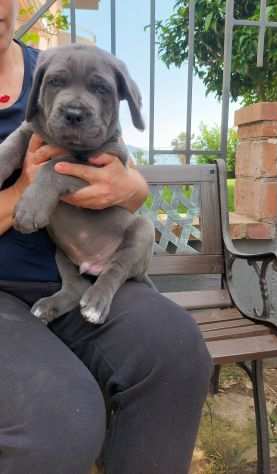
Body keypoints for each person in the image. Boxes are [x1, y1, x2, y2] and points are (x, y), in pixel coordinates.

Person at [0, 1, 212, 473]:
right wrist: (20, 192)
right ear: (44, 94)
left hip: (74, 271)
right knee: (58, 421)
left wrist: (129, 186)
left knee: (176, 349)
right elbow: (28, 149)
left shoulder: (48, 66)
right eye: (59, 88)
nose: (75, 102)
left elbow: (127, 184)